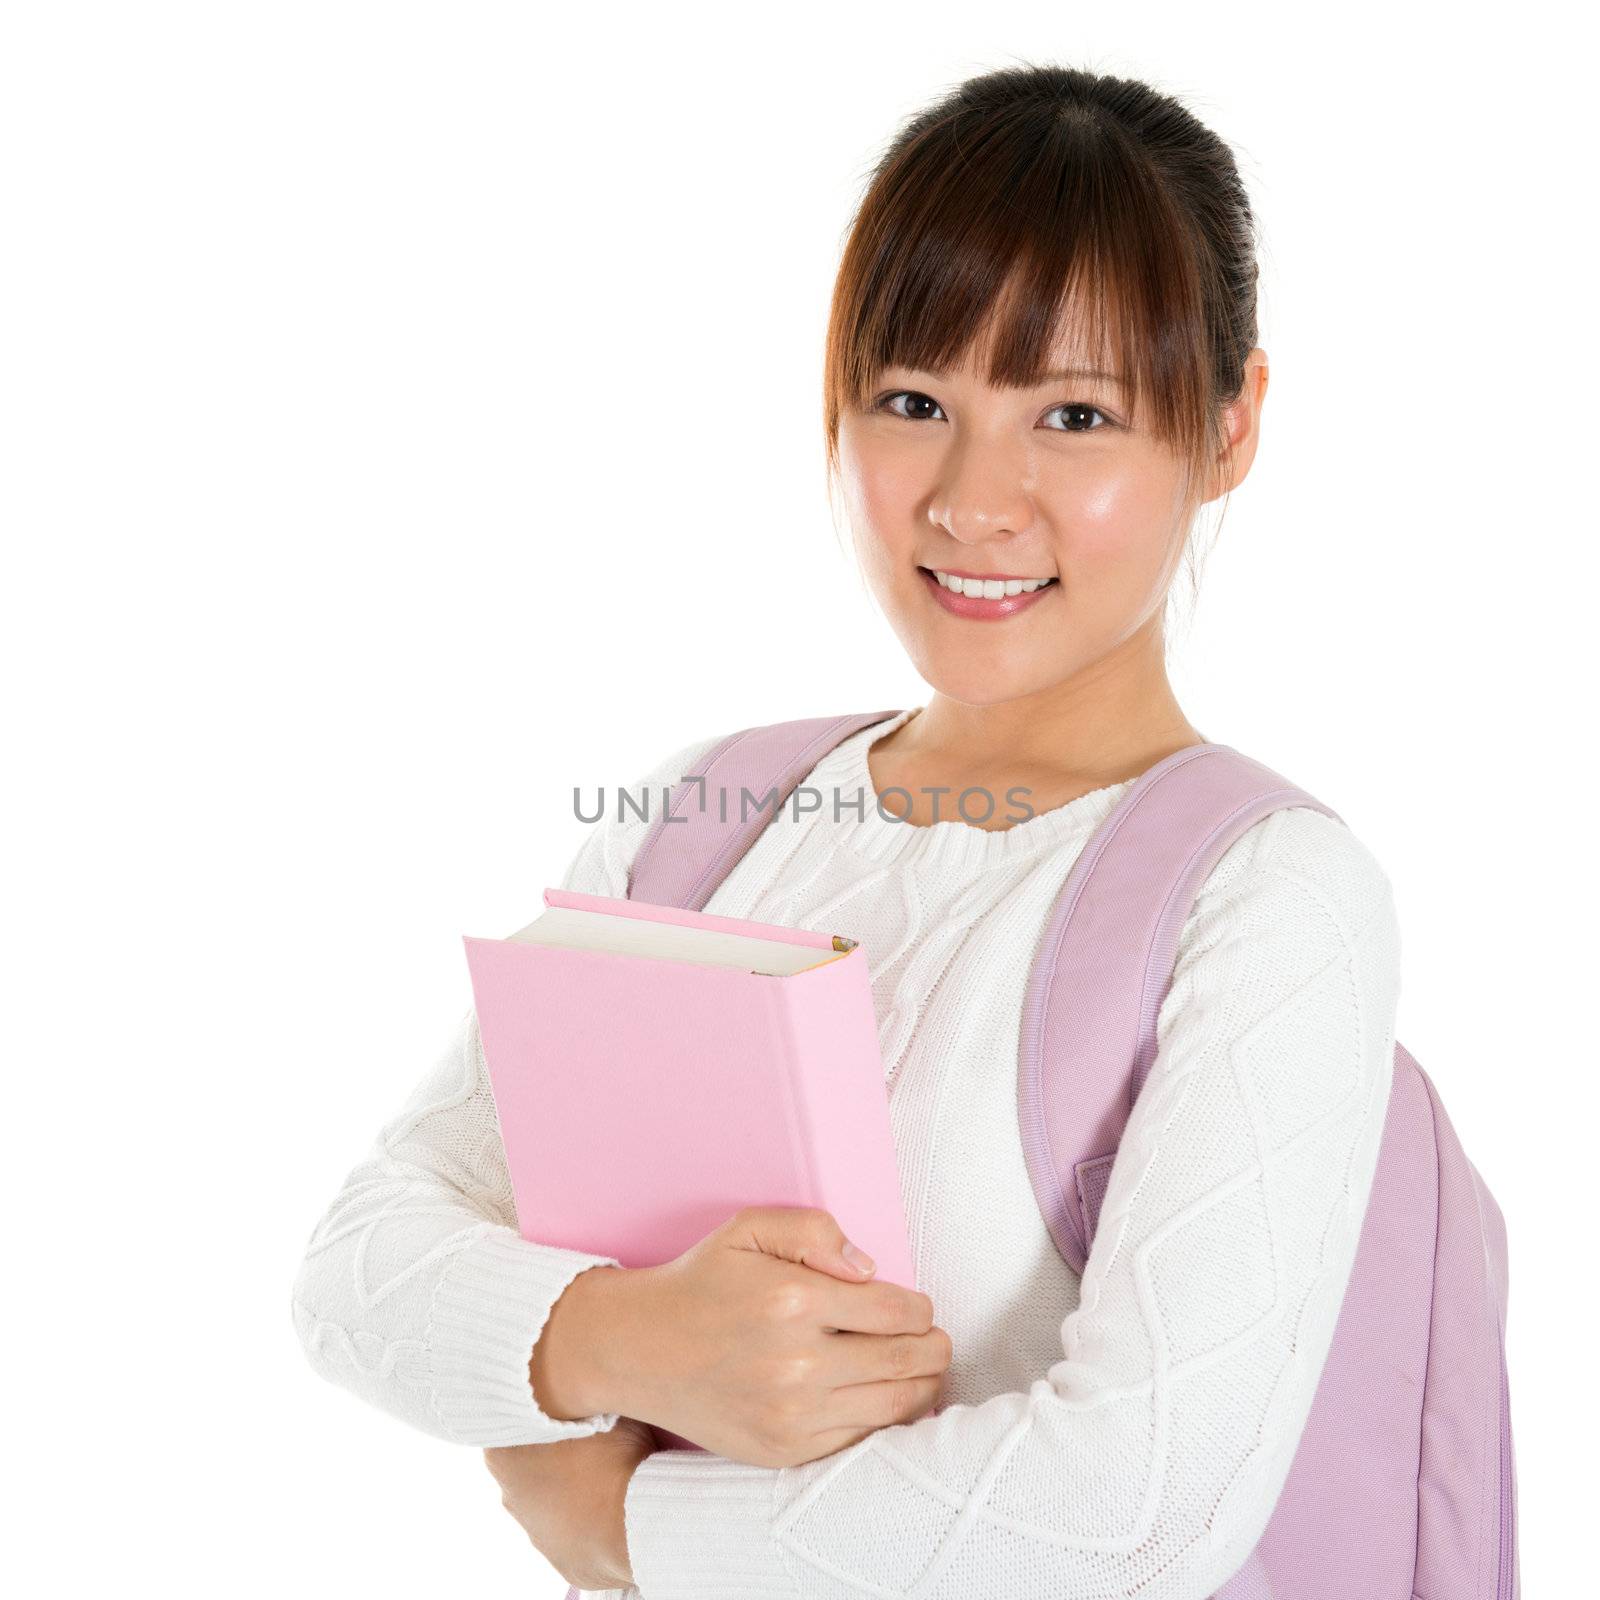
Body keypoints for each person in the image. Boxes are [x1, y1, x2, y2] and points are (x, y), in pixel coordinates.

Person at [290, 62, 1402, 1598]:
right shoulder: (709, 816)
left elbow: (1138, 1506)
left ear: (1229, 427)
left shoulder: (1268, 896)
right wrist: (613, 1338)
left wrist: (620, 1529)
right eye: (914, 402)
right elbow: (356, 1266)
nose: (974, 498)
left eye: (1075, 414)